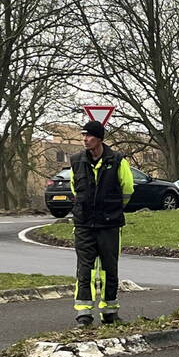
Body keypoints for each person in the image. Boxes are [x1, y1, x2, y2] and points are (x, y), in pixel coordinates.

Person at [70, 120, 134, 327]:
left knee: (108, 269)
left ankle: (109, 311)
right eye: (83, 136)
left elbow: (128, 189)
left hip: (109, 224)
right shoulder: (76, 161)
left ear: (99, 138)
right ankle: (84, 313)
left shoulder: (117, 161)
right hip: (84, 224)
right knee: (85, 269)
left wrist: (112, 209)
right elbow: (75, 189)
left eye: (89, 136)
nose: (85, 140)